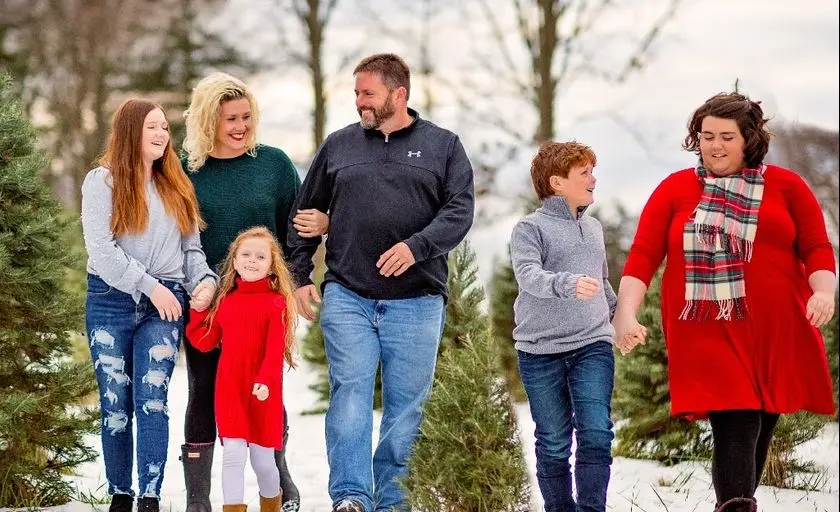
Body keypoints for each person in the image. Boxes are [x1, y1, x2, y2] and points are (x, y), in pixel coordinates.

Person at [613, 92, 836, 512]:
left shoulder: (787, 186)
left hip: (775, 327)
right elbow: (643, 254)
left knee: (760, 421)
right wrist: (625, 311)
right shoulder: (675, 189)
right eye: (706, 135)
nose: (714, 145)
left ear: (748, 139)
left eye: (726, 137)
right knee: (737, 417)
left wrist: (824, 290)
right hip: (705, 327)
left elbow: (817, 247)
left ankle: (737, 502)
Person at [287, 53, 475, 512]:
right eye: (356, 94)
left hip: (417, 300)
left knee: (406, 408)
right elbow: (304, 212)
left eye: (367, 93)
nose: (359, 102)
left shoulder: (443, 146)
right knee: (349, 392)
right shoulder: (339, 146)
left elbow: (459, 211)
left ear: (399, 94)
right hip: (348, 293)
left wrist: (417, 246)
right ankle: (351, 496)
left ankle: (393, 500)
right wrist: (298, 274)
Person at [180, 71, 328, 512]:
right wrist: (195, 288)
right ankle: (198, 497)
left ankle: (278, 481)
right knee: (204, 389)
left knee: (264, 386)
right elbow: (174, 235)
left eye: (246, 117)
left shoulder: (275, 164)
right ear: (209, 121)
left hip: (265, 302)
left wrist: (297, 281)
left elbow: (298, 233)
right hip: (209, 300)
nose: (240, 126)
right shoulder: (186, 169)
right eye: (230, 119)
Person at [81, 98, 217, 512]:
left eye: (164, 127)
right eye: (151, 127)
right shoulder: (101, 182)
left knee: (152, 400)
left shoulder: (176, 185)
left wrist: (205, 283)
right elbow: (102, 252)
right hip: (110, 302)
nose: (161, 135)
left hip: (166, 306)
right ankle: (120, 495)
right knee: (115, 402)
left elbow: (191, 251)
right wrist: (148, 286)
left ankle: (150, 497)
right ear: (129, 133)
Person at [510, 141, 617, 512]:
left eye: (592, 170)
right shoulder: (529, 228)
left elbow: (602, 283)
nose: (593, 178)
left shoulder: (595, 228)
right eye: (584, 172)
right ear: (557, 182)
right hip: (540, 350)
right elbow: (527, 276)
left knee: (596, 433)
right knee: (554, 440)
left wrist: (621, 319)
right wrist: (566, 284)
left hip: (592, 344)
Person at [186, 226, 298, 512]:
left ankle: (271, 506)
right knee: (233, 456)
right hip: (230, 389)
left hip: (263, 392)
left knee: (263, 462)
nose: (251, 260)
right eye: (245, 254)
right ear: (234, 261)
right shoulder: (226, 302)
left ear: (272, 265)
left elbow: (275, 351)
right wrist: (198, 311)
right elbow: (204, 341)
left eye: (260, 256)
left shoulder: (277, 303)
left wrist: (265, 381)